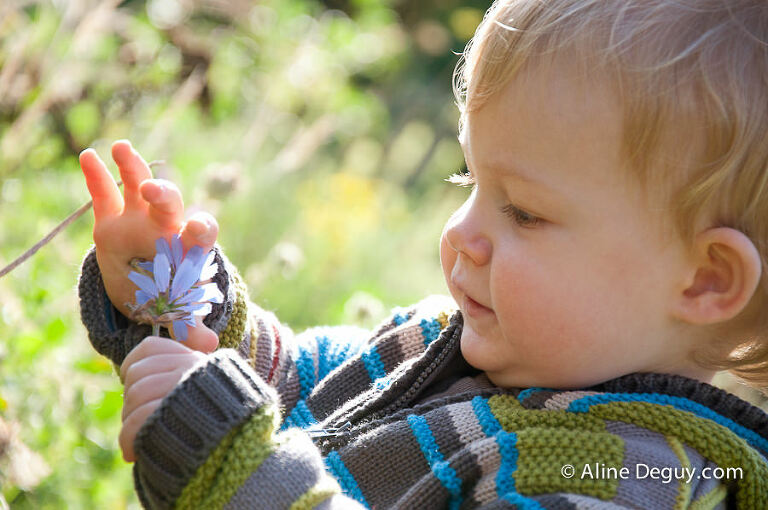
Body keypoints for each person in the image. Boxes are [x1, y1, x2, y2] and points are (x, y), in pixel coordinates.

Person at [77, 0, 768, 508]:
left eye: (524, 212)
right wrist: (178, 297)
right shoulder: (444, 341)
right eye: (470, 181)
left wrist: (239, 471)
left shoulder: (636, 479)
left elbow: (257, 444)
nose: (461, 232)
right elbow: (296, 390)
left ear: (705, 280)